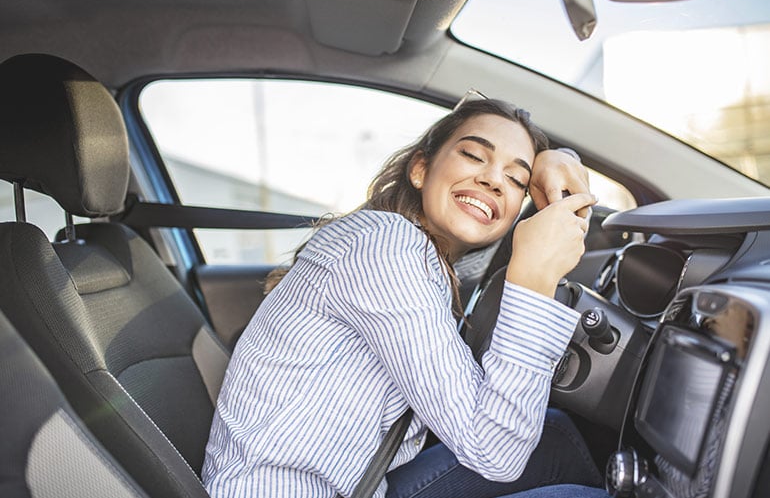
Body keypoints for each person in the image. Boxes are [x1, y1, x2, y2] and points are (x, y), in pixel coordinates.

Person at [202, 97, 609, 498]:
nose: (493, 180)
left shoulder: (426, 258)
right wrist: (534, 278)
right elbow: (496, 451)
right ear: (420, 169)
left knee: (554, 435)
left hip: (357, 484)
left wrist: (558, 157)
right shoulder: (387, 245)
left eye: (517, 179)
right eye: (473, 155)